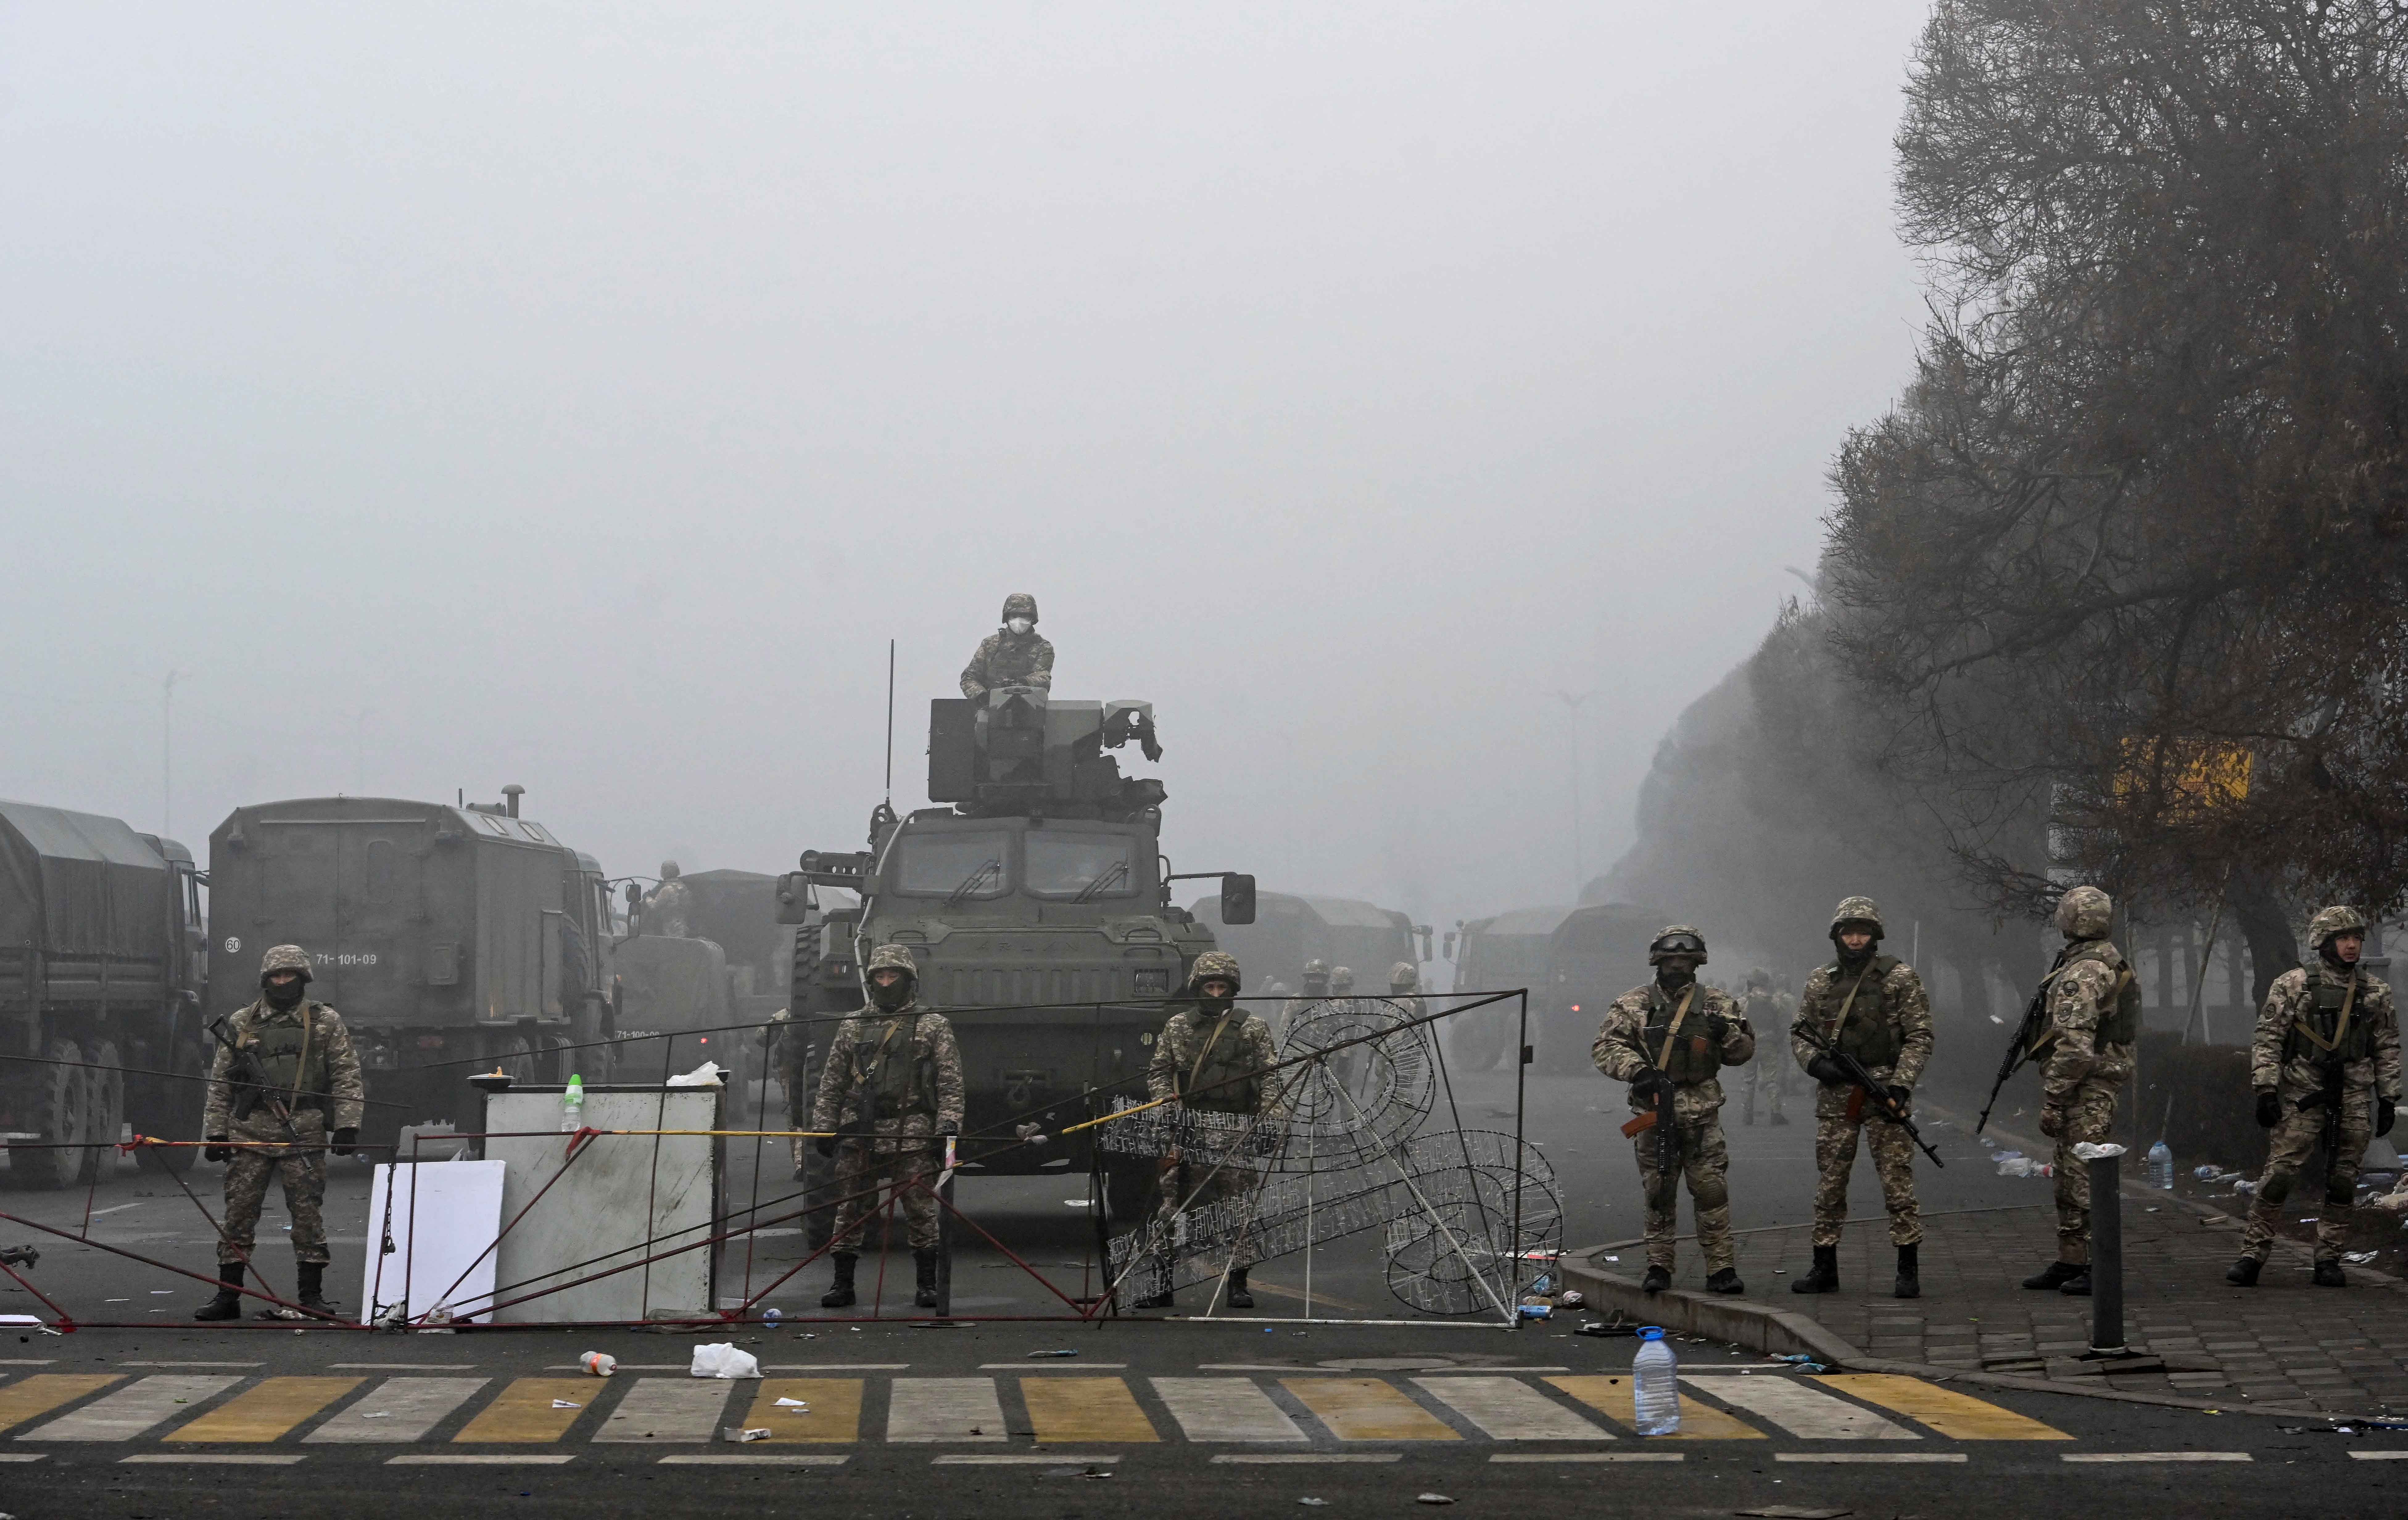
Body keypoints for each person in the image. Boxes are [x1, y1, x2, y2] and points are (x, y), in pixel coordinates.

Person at [2229, 906, 2401, 1288]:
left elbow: (2386, 1045)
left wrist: (2389, 1097)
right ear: (2324, 943)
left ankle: (2328, 1257)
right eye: (2343, 938)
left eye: (2356, 938)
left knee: (2343, 1181)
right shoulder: (2293, 984)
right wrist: (2267, 1089)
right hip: (2304, 1091)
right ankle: (2252, 1253)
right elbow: (2268, 1039)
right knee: (2280, 1175)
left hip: (2354, 1093)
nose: (2352, 945)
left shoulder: (2375, 991)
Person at [195, 945, 365, 1321]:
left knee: (307, 1215)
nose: (283, 982)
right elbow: (221, 1082)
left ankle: (311, 1296)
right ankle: (228, 1295)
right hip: (250, 1130)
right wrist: (217, 1133)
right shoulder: (242, 1021)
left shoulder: (326, 1021)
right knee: (238, 1215)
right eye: (277, 976)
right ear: (266, 980)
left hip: (303, 1129)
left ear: (303, 978)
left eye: (290, 975)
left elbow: (346, 1075)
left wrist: (348, 1124)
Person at [1591, 925, 1755, 1295]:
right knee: (1659, 1192)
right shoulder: (1632, 1003)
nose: (1678, 966)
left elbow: (1743, 1053)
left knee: (1711, 1191)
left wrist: (1725, 1033)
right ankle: (1659, 1266)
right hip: (1653, 1112)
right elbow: (1605, 1047)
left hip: (1702, 1114)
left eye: (1686, 959)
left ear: (1698, 961)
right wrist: (1639, 1070)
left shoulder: (1719, 1003)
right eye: (1671, 959)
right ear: (1658, 960)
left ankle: (1721, 1268)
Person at [1787, 898, 1935, 1299]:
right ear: (1836, 935)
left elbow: (1919, 1035)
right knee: (1830, 1185)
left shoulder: (1899, 978)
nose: (1854, 939)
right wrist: (1816, 1064)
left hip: (1884, 1091)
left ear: (1875, 935)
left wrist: (1901, 1084)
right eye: (1847, 932)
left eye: (1862, 932)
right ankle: (1824, 1266)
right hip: (1836, 1096)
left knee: (1897, 1183)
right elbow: (1800, 1033)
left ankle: (1907, 1268)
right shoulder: (1821, 980)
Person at [811, 944, 964, 1310]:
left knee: (921, 1210)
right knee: (850, 1209)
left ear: (908, 979)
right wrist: (823, 1127)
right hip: (859, 1131)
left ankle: (928, 1285)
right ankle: (842, 1284)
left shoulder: (933, 1024)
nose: (886, 982)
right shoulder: (853, 1024)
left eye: (893, 975)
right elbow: (831, 1080)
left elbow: (951, 1081)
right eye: (879, 976)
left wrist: (948, 1124)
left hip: (911, 1130)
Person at [1135, 950, 1283, 1310]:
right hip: (1188, 1130)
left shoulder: (1253, 1027)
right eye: (1210, 986)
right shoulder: (1177, 1026)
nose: (1216, 993)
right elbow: (1158, 1071)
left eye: (1222, 987)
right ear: (1198, 988)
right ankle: (1162, 1284)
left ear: (1233, 989)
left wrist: (1271, 1119)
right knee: (1171, 1208)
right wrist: (1168, 1108)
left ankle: (1238, 1284)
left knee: (1237, 1210)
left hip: (1235, 1129)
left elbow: (1270, 1076)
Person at [2020, 884, 2138, 1296]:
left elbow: (2074, 1046)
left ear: (2069, 921)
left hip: (2084, 1088)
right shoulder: (2102, 961)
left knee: (2084, 1177)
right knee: (2069, 1176)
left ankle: (2096, 1264)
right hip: (2089, 1083)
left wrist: (2053, 1097)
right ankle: (2071, 1259)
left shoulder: (2083, 971)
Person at [959, 592, 1055, 699]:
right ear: (1007, 618)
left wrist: (1021, 684)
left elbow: (1042, 678)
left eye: (1024, 616)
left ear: (1032, 619)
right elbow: (969, 677)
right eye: (1015, 616)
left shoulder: (1043, 647)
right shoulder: (990, 645)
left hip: (1029, 706)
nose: (1019, 621)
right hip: (990, 708)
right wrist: (982, 696)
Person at [1741, 967, 1790, 1127]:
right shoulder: (1775, 1001)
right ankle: (1776, 1113)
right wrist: (1778, 1040)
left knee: (1749, 1081)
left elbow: (1736, 1023)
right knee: (1772, 1080)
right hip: (1769, 1044)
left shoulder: (1744, 1002)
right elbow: (1783, 1024)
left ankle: (1748, 1114)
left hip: (1748, 1044)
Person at [643, 861, 692, 938]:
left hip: (671, 928)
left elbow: (654, 906)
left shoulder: (667, 890)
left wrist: (647, 897)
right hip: (683, 925)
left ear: (665, 872)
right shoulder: (684, 887)